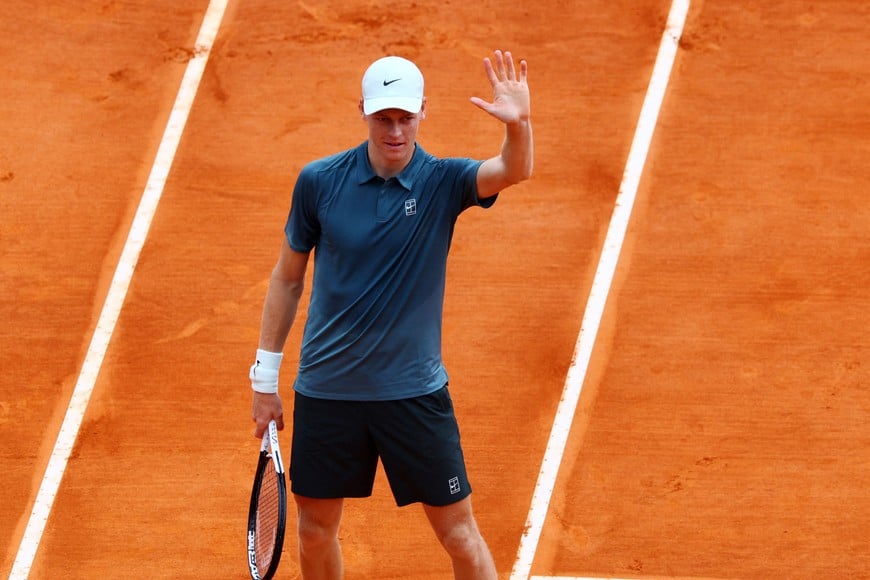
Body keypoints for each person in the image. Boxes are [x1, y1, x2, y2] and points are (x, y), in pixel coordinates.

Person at [248, 49, 533, 579]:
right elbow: (288, 278)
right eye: (384, 118)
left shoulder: (443, 182)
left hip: (413, 394)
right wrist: (264, 380)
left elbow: (513, 170)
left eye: (405, 118)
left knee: (459, 536)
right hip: (329, 392)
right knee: (313, 533)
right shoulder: (320, 181)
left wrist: (519, 126)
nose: (395, 131)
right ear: (364, 112)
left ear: (423, 112)